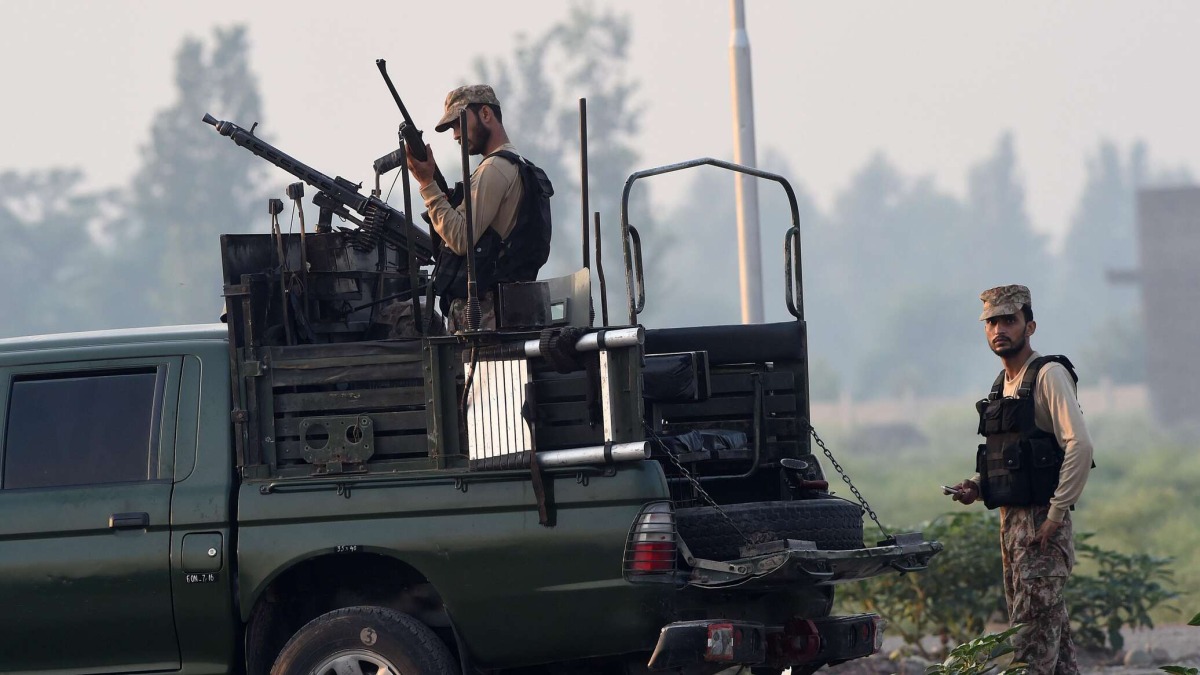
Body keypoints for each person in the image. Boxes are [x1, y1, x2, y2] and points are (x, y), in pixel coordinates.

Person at [946, 284, 1095, 675]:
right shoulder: (1002, 384)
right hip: (1012, 526)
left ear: (1030, 326)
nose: (999, 329)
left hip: (1042, 526)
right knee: (1052, 648)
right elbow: (1011, 456)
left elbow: (1080, 445)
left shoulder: (1049, 375)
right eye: (992, 322)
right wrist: (977, 485)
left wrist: (1055, 515)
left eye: (1009, 320)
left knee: (1030, 646)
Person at [406, 84, 552, 332]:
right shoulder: (517, 165)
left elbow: (461, 238)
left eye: (459, 123)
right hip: (507, 312)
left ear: (485, 114)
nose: (455, 135)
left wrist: (427, 184)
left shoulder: (494, 168)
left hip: (484, 320)